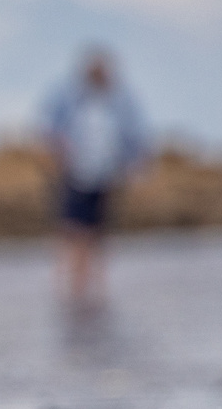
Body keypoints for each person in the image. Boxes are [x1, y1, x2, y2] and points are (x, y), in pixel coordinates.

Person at [43, 46, 147, 305]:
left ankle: (96, 287)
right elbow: (51, 130)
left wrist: (135, 167)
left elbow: (132, 137)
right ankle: (70, 286)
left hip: (105, 175)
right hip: (75, 173)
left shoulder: (120, 102)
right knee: (72, 229)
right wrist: (58, 157)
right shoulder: (70, 98)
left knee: (98, 230)